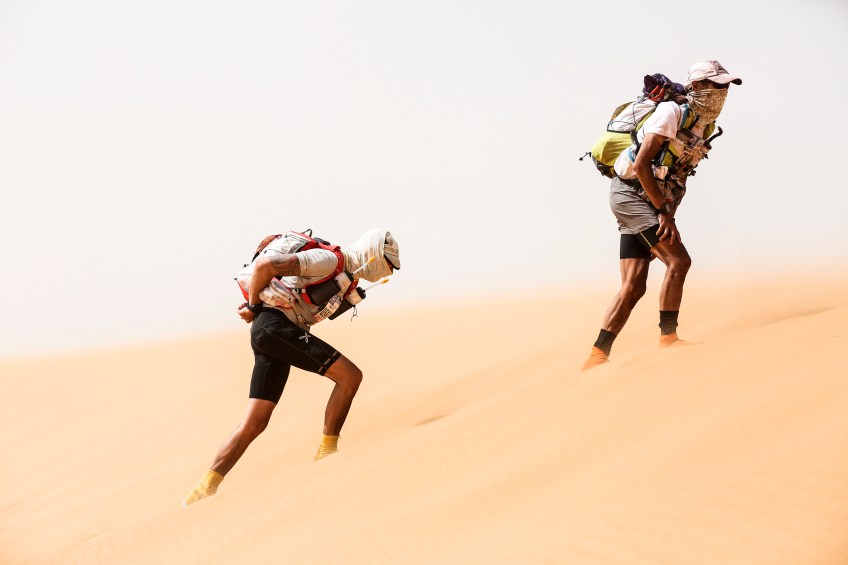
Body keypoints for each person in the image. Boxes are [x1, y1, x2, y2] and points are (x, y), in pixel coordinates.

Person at [182, 228, 401, 506]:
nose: (388, 272)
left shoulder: (347, 278)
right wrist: (253, 307)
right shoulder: (329, 261)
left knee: (255, 422)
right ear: (373, 255)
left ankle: (203, 490)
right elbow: (265, 266)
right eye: (387, 264)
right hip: (274, 327)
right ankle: (327, 454)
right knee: (350, 376)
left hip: (274, 333)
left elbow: (309, 306)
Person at [582, 60, 742, 370]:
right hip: (631, 195)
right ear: (696, 86)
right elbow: (641, 164)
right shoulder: (671, 113)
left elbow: (678, 173)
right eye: (716, 85)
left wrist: (669, 212)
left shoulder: (705, 125)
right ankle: (668, 338)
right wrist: (663, 214)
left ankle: (597, 356)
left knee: (634, 285)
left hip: (650, 200)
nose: (722, 92)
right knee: (679, 262)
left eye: (726, 87)